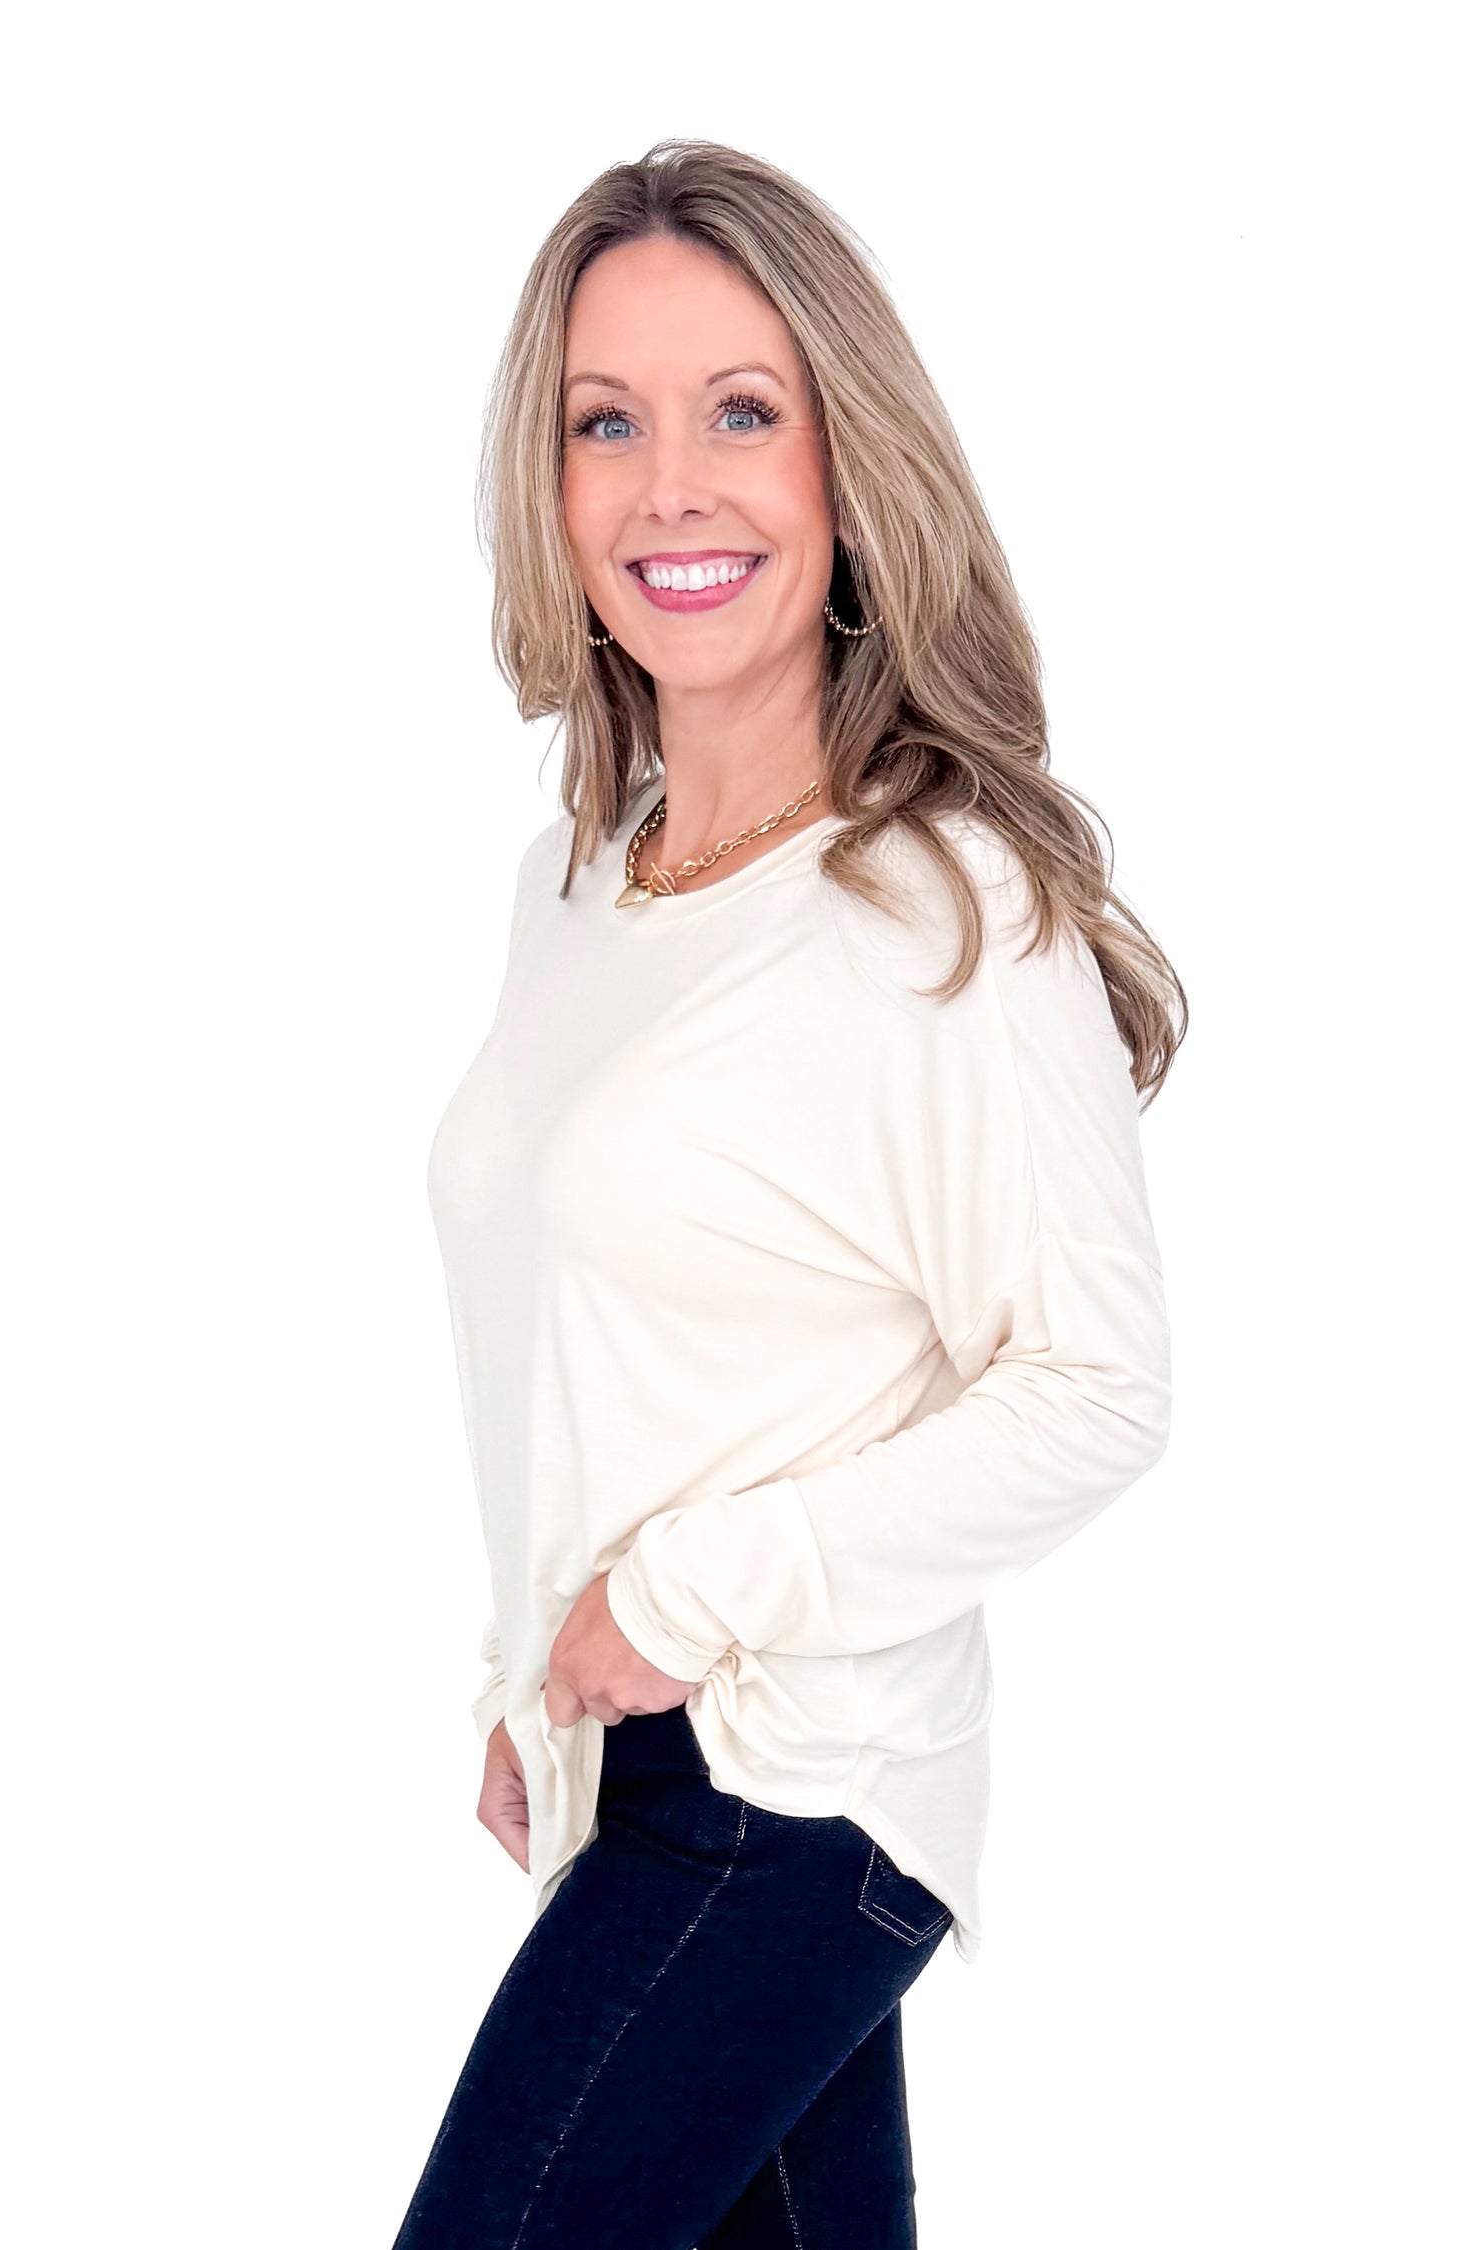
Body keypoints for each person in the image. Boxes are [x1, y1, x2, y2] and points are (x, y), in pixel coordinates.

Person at [391, 136, 1185, 2250]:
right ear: (548, 485)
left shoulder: (942, 903)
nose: (672, 488)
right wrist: (534, 1670)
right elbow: (597, 1335)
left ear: (850, 460)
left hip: (793, 1791)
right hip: (647, 1777)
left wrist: (670, 1605)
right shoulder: (579, 884)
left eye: (741, 411)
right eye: (607, 423)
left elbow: (1097, 1387)